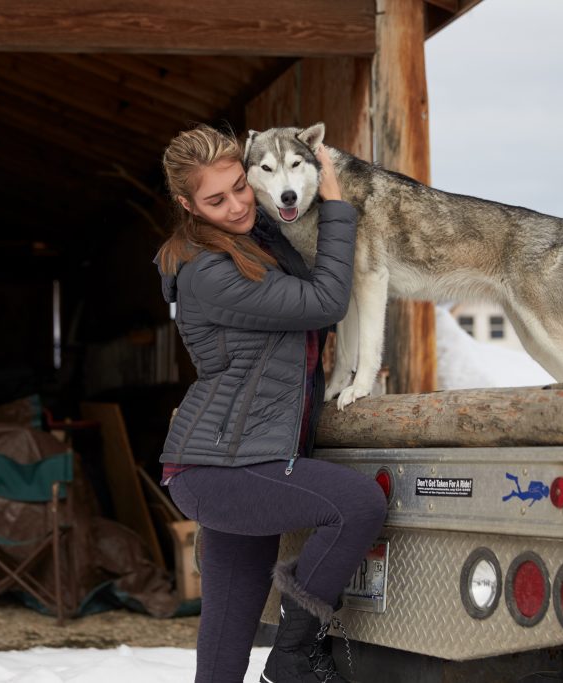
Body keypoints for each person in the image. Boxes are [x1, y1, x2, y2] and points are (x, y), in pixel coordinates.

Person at [154, 124, 388, 683]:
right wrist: (335, 207)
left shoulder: (251, 236)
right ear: (187, 205)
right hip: (222, 466)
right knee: (357, 505)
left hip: (232, 459)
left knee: (227, 631)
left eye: (240, 185)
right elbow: (325, 300)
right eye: (216, 199)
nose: (237, 205)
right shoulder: (209, 271)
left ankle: (282, 660)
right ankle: (292, 656)